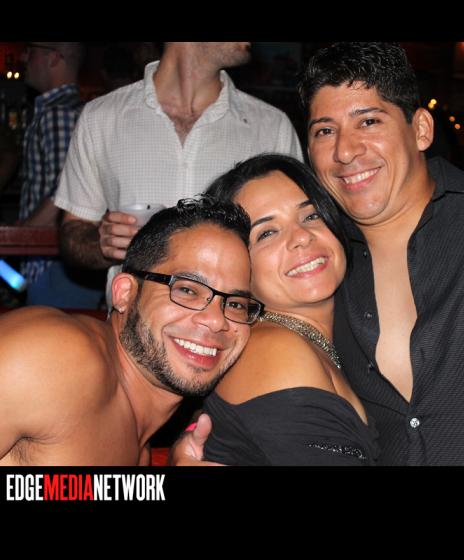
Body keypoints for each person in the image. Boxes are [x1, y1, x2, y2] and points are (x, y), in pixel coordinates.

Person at [174, 43, 464, 467]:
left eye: (368, 121)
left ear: (420, 129)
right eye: (325, 131)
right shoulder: (322, 272)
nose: (345, 150)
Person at [0, 198, 258, 465]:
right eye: (187, 290)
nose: (216, 320)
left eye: (236, 304)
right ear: (125, 293)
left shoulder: (139, 449)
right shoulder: (55, 356)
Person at [54, 42, 303, 298]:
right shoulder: (101, 118)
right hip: (133, 315)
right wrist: (102, 244)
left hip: (232, 316)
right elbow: (73, 235)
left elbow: (297, 237)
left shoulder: (271, 126)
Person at [196, 154, 378, 465]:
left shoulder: (340, 330)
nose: (301, 237)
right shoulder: (275, 351)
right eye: (267, 233)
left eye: (310, 216)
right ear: (237, 267)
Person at [18, 42, 104, 308]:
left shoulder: (59, 113)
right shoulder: (66, 110)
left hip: (55, 265)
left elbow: (65, 190)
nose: (24, 57)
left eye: (31, 50)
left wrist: (23, 235)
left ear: (54, 57)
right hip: (62, 264)